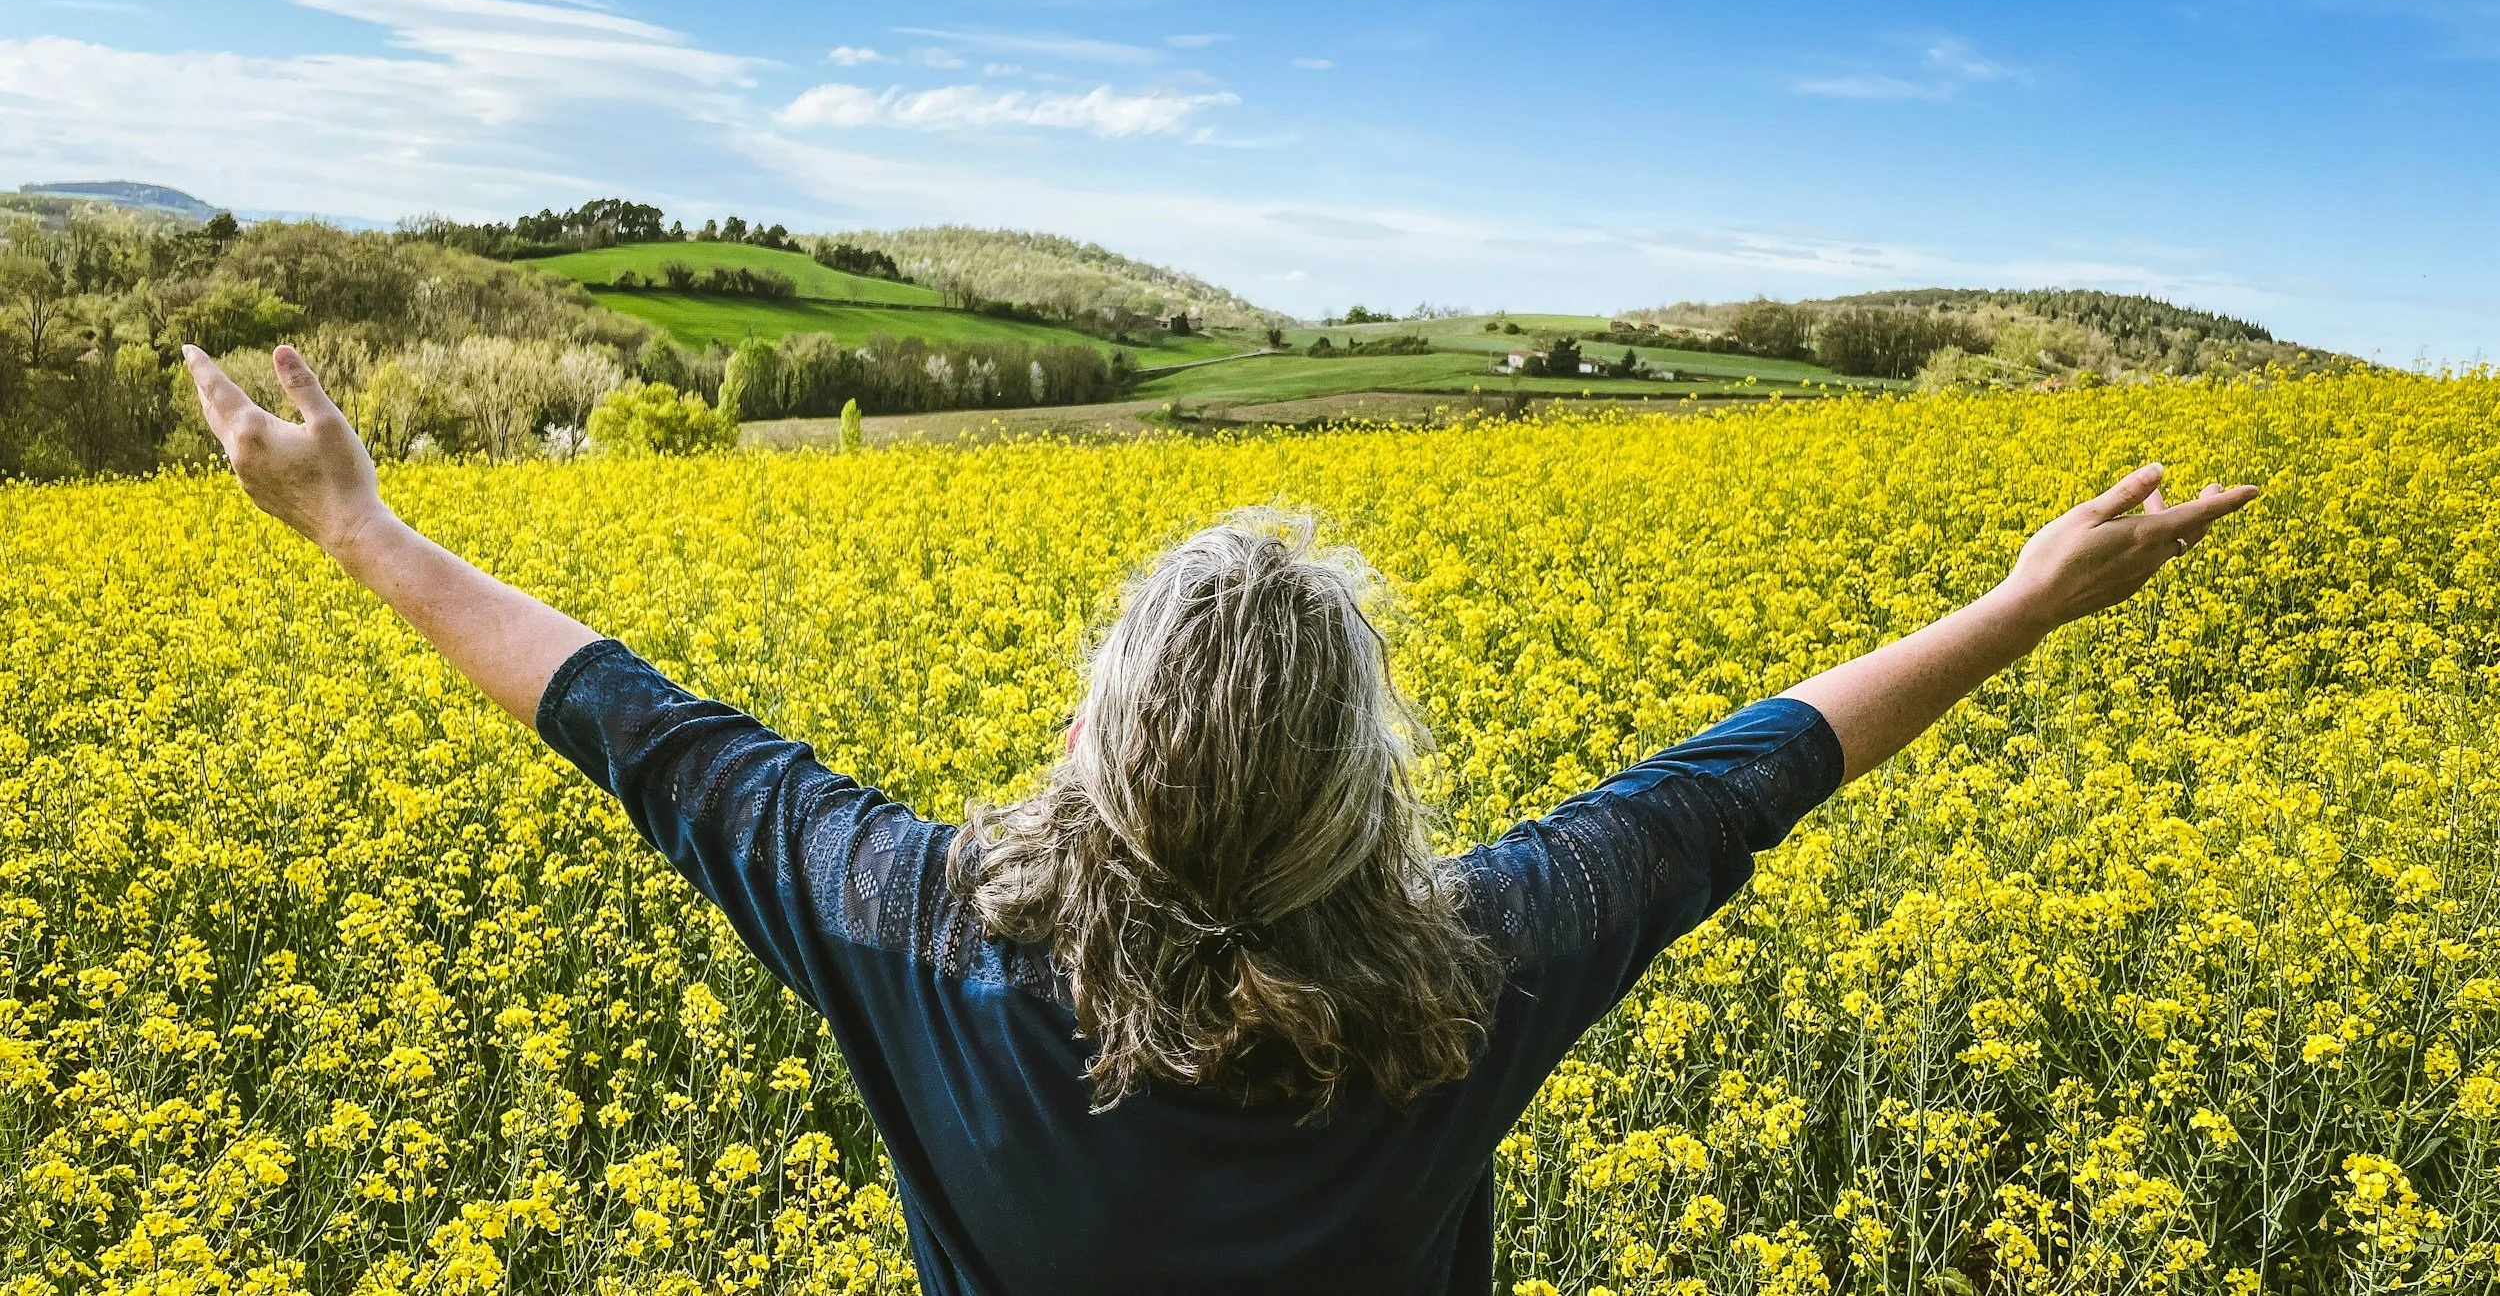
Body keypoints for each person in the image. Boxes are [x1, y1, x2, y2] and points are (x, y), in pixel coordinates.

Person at [183, 344, 2259, 1296]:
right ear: (1366, 798)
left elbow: (649, 734)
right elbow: (1742, 776)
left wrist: (361, 523)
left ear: (1096, 744)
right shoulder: (1476, 973)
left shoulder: (922, 934)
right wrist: (2015, 602)